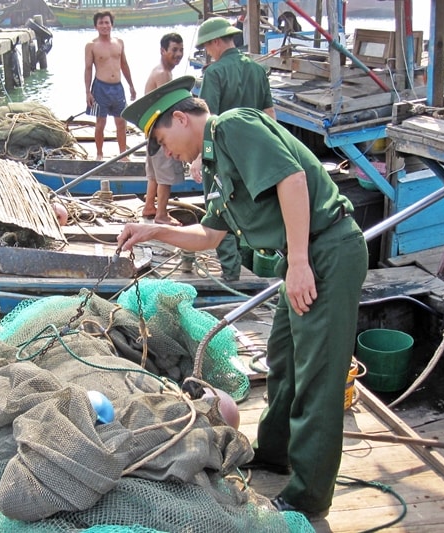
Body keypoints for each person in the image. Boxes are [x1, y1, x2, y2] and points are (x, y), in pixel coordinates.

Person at [117, 76, 368, 520]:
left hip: (326, 251)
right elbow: (210, 235)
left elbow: (291, 180)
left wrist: (298, 263)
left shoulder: (234, 125)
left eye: (162, 140)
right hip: (306, 254)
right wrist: (155, 229)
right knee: (284, 359)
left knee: (318, 375)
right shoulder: (214, 164)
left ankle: (310, 494)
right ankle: (276, 452)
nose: (166, 153)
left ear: (180, 118)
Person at [192, 16, 276, 281]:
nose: (207, 51)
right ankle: (251, 260)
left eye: (207, 46)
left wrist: (197, 158)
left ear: (217, 42)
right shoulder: (257, 69)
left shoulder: (214, 73)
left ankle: (231, 273)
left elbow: (207, 120)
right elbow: (269, 114)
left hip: (223, 154)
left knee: (219, 207)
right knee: (250, 206)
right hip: (254, 155)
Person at [141, 32, 185, 225]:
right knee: (165, 175)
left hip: (152, 131)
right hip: (160, 132)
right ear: (163, 50)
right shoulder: (163, 74)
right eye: (174, 50)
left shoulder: (161, 71)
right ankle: (161, 215)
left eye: (181, 50)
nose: (178, 54)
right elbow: (169, 107)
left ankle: (149, 206)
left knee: (154, 174)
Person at [84, 11, 137, 160]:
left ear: (111, 24)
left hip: (118, 87)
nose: (104, 26)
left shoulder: (119, 42)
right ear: (96, 26)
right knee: (100, 122)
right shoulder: (91, 45)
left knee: (121, 121)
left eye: (107, 22)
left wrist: (131, 86)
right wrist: (87, 92)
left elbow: (124, 64)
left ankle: (123, 154)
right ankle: (99, 154)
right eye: (101, 23)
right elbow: (88, 69)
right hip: (100, 87)